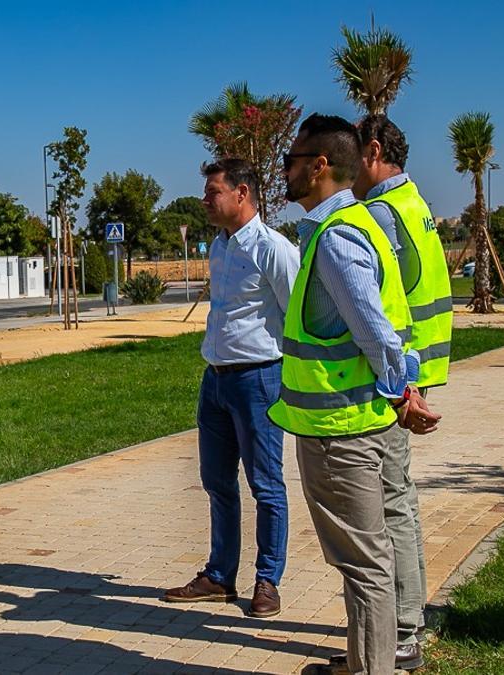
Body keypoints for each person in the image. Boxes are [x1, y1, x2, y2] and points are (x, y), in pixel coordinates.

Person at [269, 114, 441, 675]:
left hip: (341, 432)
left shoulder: (336, 237)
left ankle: (371, 667)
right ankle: (366, 660)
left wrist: (402, 393)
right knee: (370, 558)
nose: (284, 170)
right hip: (360, 421)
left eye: (291, 160)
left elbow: (373, 329)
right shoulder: (360, 222)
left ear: (319, 166)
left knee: (364, 564)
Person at [335, 114, 454, 672]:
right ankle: (405, 622)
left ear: (374, 151)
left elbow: (378, 309)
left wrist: (400, 385)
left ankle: (401, 632)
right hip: (412, 370)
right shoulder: (414, 203)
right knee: (398, 499)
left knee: (389, 504)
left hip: (395, 378)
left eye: (352, 153)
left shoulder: (380, 213)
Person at [162, 159, 298, 619]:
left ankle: (268, 580)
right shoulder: (220, 247)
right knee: (217, 482)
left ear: (242, 193)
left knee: (266, 484)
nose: (205, 200)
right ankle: (220, 576)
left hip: (258, 380)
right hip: (216, 381)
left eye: (213, 191)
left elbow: (296, 317)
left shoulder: (273, 249)